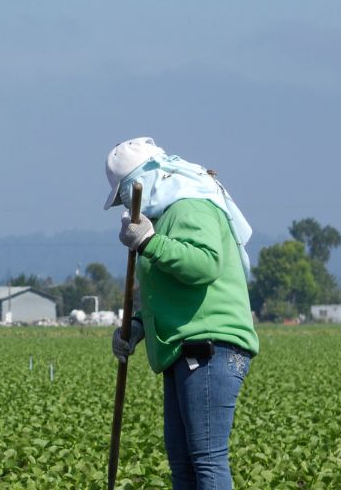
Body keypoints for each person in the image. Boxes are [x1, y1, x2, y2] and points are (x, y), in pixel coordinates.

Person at [105, 136, 259, 490]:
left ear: (145, 181)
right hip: (184, 349)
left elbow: (204, 265)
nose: (126, 205)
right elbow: (166, 291)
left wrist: (148, 242)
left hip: (209, 347)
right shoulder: (167, 216)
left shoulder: (190, 205)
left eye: (125, 194)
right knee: (184, 466)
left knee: (206, 461)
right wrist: (137, 326)